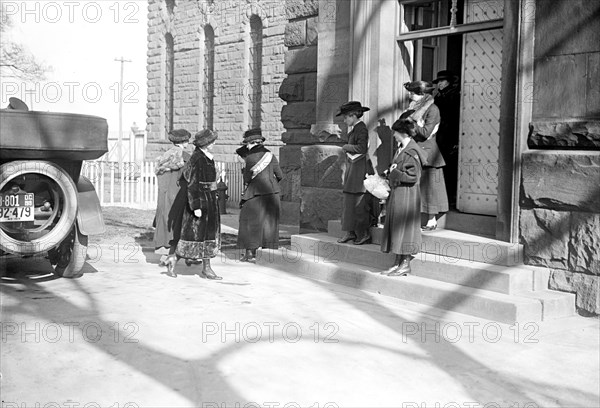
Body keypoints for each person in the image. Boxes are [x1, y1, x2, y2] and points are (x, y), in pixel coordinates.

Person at [165, 129, 223, 280]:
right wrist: (196, 206)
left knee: (208, 236)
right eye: (212, 142)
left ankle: (207, 268)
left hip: (209, 201)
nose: (214, 144)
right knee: (193, 237)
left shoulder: (206, 157)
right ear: (206, 144)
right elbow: (192, 184)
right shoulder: (198, 158)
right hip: (200, 202)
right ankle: (173, 260)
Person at [381, 118, 428, 276]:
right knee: (397, 226)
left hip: (407, 193)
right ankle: (398, 261)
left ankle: (405, 263)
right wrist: (391, 172)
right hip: (400, 192)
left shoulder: (411, 151)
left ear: (402, 133)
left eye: (395, 132)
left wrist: (394, 172)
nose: (393, 135)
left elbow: (413, 176)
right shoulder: (402, 148)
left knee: (405, 227)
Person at [400, 81, 449, 231]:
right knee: (416, 185)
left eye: (413, 93)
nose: (410, 96)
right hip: (414, 150)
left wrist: (411, 125)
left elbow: (426, 133)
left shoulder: (433, 109)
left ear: (421, 95)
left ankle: (431, 221)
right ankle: (414, 218)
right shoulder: (413, 108)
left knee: (430, 188)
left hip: (428, 152)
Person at [236, 128, 283, 263]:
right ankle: (266, 252)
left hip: (255, 194)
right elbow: (280, 175)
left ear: (250, 143)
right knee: (268, 223)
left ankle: (250, 253)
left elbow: (247, 180)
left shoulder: (250, 158)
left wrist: (244, 170)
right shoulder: (271, 155)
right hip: (272, 193)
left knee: (249, 222)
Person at [153, 129, 192, 273]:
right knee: (179, 224)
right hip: (178, 196)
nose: (188, 143)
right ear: (183, 142)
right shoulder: (185, 157)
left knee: (165, 222)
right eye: (187, 140)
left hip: (164, 196)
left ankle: (165, 255)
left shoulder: (165, 156)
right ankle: (178, 255)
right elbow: (189, 178)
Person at [336, 101, 372, 245]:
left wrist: (346, 146)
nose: (344, 120)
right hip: (353, 169)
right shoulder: (355, 129)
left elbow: (362, 148)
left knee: (358, 202)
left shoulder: (361, 129)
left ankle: (363, 234)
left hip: (359, 169)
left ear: (353, 115)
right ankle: (350, 232)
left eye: (346, 117)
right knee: (349, 202)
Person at [433, 70, 461, 208]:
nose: (439, 84)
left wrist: (456, 140)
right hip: (441, 137)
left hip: (451, 137)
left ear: (449, 82)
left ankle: (452, 197)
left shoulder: (455, 96)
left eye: (442, 81)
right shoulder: (439, 96)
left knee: (450, 168)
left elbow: (456, 119)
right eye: (438, 82)